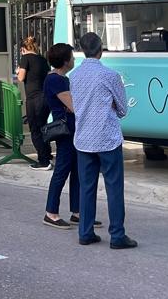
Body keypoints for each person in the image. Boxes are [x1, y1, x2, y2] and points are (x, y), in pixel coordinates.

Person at [69, 32, 137, 249]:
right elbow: (123, 109)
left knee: (86, 187)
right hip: (107, 138)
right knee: (114, 188)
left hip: (83, 139)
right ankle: (117, 235)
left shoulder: (74, 76)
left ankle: (85, 232)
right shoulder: (110, 76)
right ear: (101, 49)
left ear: (82, 50)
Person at [42, 43, 100, 230]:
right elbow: (75, 106)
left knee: (77, 170)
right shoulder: (55, 80)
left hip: (74, 129)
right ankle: (51, 212)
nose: (75, 59)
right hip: (66, 131)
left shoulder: (62, 79)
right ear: (65, 61)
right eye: (72, 57)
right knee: (62, 170)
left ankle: (77, 211)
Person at [18, 36, 52, 169]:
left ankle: (43, 161)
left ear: (23, 49)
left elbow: (21, 77)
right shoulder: (43, 60)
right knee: (44, 128)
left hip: (33, 98)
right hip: (45, 98)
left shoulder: (25, 58)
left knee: (35, 130)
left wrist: (18, 70)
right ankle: (48, 154)